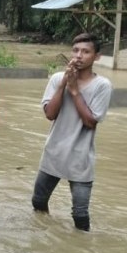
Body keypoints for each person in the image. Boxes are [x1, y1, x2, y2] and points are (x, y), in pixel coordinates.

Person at [31, 33, 112, 231]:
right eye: (76, 50)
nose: (79, 56)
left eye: (86, 51)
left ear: (97, 56)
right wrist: (63, 84)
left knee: (80, 213)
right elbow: (50, 114)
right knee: (38, 201)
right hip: (54, 152)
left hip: (81, 158)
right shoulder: (58, 78)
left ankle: (84, 250)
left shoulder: (102, 85)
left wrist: (74, 90)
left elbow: (90, 122)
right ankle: (45, 233)